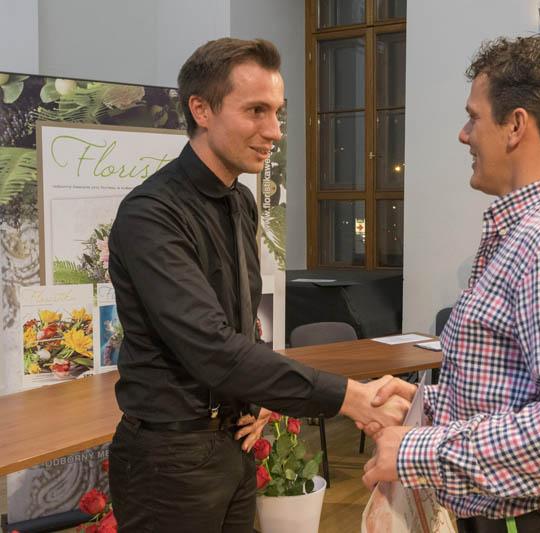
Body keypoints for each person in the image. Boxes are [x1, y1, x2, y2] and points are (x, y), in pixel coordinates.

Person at [107, 38, 407, 532]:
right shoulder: (152, 215)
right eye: (256, 111)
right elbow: (210, 346)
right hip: (169, 459)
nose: (274, 131)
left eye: (277, 112)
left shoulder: (240, 201)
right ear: (201, 110)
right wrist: (350, 397)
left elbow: (241, 324)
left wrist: (264, 395)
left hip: (235, 440)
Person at [362, 35, 540, 533]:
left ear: (516, 125)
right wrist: (426, 407)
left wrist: (419, 450)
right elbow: (513, 389)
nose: (464, 135)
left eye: (473, 118)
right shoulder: (537, 231)